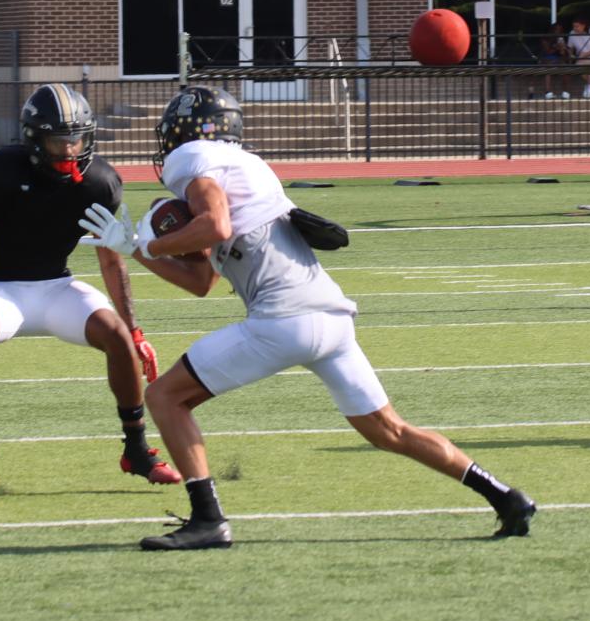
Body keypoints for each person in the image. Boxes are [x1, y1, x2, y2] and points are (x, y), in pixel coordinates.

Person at [80, 85, 536, 550]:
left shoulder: (193, 158)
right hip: (330, 318)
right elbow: (201, 283)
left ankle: (208, 520)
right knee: (389, 430)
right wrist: (136, 251)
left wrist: (149, 244)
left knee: (164, 397)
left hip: (283, 320)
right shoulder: (247, 169)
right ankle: (504, 496)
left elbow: (215, 227)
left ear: (188, 133)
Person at [0, 84, 179, 499]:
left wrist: (136, 332)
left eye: (77, 140)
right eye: (57, 141)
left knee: (118, 335)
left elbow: (110, 259)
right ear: (34, 140)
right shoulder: (3, 173)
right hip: (4, 290)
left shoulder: (97, 181)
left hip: (58, 287)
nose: (69, 151)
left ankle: (136, 451)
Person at [537, 21, 572, 99]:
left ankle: (565, 92)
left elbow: (563, 54)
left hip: (558, 60)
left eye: (560, 30)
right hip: (546, 59)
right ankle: (548, 92)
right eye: (556, 30)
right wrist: (556, 47)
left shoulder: (561, 39)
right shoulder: (545, 39)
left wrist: (563, 49)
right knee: (548, 69)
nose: (558, 32)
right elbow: (548, 51)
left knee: (566, 69)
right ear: (552, 30)